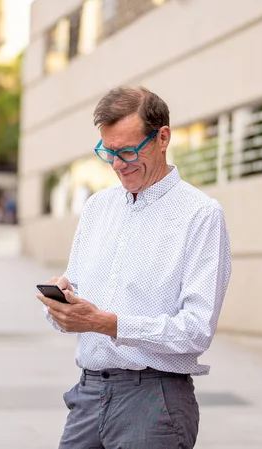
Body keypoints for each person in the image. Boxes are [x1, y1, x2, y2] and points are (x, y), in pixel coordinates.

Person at [37, 86, 231, 448]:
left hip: (154, 401)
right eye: (108, 152)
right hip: (89, 393)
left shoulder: (200, 215)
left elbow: (195, 330)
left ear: (163, 138)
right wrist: (62, 306)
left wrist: (107, 323)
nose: (117, 164)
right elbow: (78, 295)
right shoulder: (98, 208)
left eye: (127, 151)